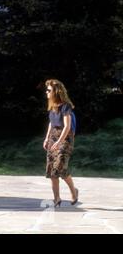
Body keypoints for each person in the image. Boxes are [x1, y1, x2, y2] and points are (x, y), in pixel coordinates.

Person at [43, 79, 79, 207]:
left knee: (59, 167)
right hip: (53, 137)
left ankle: (74, 191)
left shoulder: (65, 106)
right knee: (52, 170)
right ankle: (57, 198)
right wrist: (47, 138)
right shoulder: (52, 106)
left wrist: (59, 141)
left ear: (56, 91)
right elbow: (51, 124)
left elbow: (67, 126)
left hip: (65, 139)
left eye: (48, 90)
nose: (46, 92)